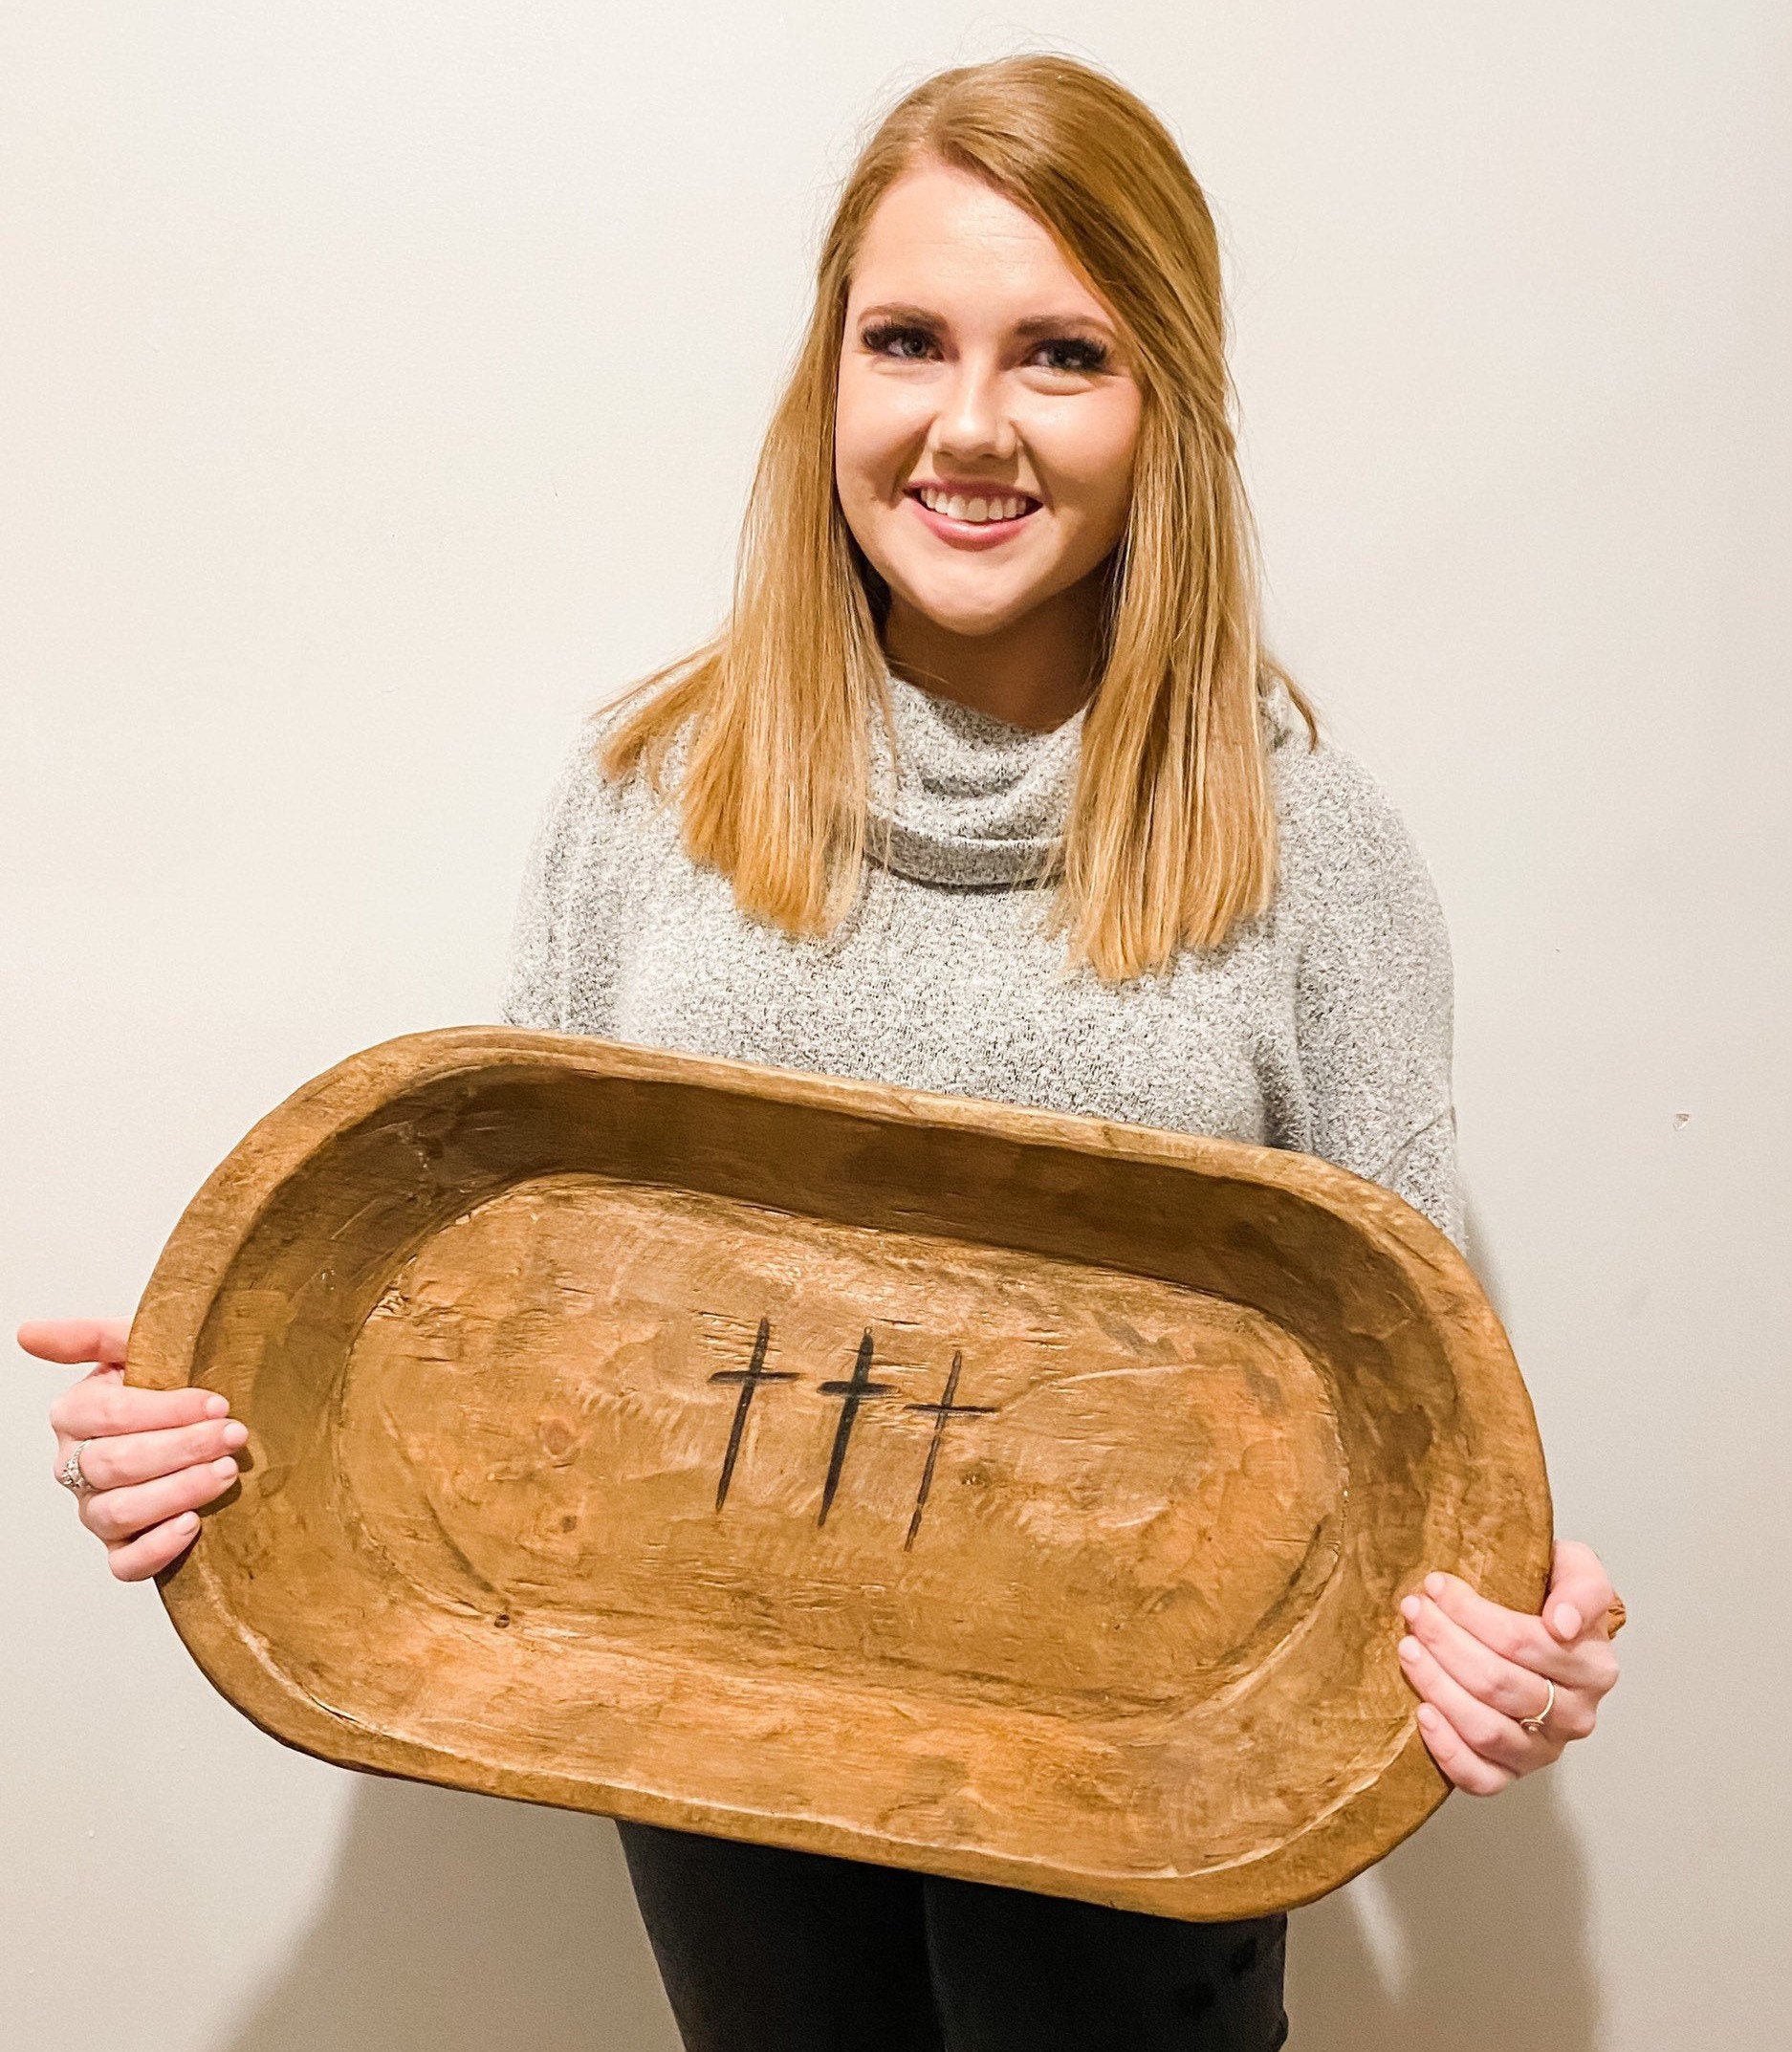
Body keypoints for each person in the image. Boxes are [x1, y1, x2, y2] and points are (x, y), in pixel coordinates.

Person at [20, 53, 1623, 2052]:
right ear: (828, 376)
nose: (970, 423)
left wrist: (1505, 1641)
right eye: (906, 340)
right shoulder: (647, 796)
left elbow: (1405, 1417)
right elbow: (512, 1318)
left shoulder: (1312, 854)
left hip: (1155, 1813)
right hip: (715, 1774)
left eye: (1062, 355)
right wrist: (231, 1411)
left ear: (1168, 409)